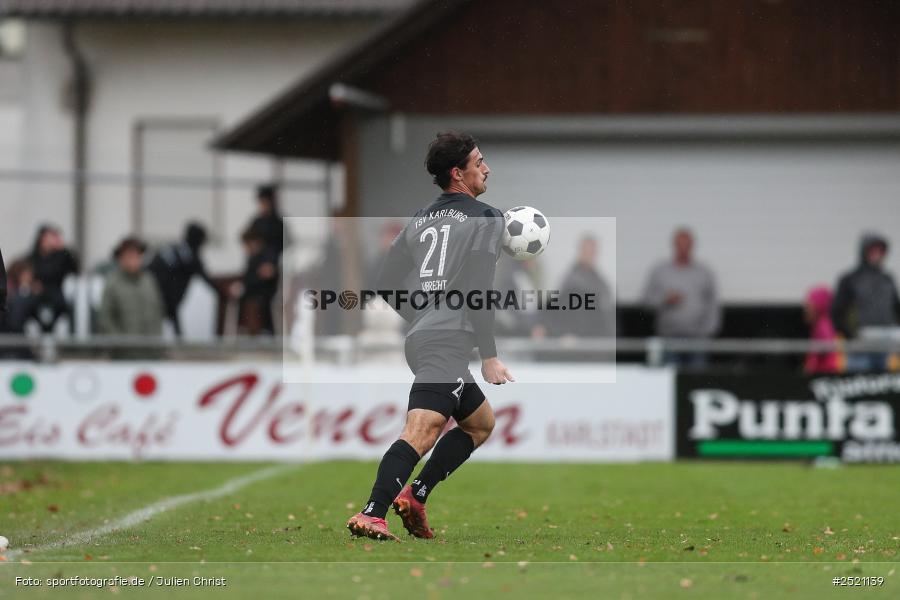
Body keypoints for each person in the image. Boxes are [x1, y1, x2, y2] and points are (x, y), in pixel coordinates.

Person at [346, 131, 512, 541]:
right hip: (447, 342)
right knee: (420, 431)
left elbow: (383, 282)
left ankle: (415, 495)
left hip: (426, 337)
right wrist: (489, 354)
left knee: (480, 424)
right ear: (458, 174)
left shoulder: (419, 220)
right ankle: (372, 512)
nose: (486, 167)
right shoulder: (487, 217)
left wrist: (422, 316)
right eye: (478, 162)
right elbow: (478, 289)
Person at [642, 227, 719, 368]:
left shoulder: (704, 272)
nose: (683, 248)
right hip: (669, 337)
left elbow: (712, 304)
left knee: (697, 380)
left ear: (692, 246)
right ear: (674, 245)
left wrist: (708, 331)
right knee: (671, 378)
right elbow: (647, 301)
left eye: (687, 244)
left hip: (697, 339)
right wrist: (665, 300)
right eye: (680, 244)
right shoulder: (660, 271)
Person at [831, 233, 900, 372]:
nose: (878, 255)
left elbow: (896, 308)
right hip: (860, 343)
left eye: (881, 251)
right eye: (873, 251)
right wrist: (851, 336)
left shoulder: (887, 279)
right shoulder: (850, 279)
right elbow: (837, 312)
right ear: (864, 252)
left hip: (885, 343)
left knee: (881, 384)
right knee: (858, 382)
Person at [147, 222, 219, 337]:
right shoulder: (190, 255)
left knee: (165, 316)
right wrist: (221, 290)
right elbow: (205, 277)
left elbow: (151, 266)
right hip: (164, 293)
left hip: (159, 291)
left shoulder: (176, 249)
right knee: (164, 316)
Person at [98, 237, 164, 337]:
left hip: (151, 349)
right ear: (121, 258)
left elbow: (158, 311)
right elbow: (106, 318)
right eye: (129, 256)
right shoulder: (112, 284)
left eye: (137, 255)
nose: (134, 260)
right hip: (124, 350)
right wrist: (119, 342)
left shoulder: (149, 281)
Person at [553, 235, 615, 338]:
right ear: (581, 252)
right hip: (581, 337)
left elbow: (607, 305)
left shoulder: (600, 280)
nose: (590, 255)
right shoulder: (571, 281)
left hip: (599, 334)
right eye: (587, 251)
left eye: (592, 252)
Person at [29, 225, 79, 333]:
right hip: (36, 298)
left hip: (56, 297)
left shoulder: (62, 256)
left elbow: (75, 270)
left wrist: (65, 250)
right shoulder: (33, 257)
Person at [233, 226, 279, 335]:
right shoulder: (251, 258)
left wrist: (244, 285)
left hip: (265, 294)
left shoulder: (269, 254)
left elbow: (266, 274)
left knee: (255, 304)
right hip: (253, 292)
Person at [804, 286, 840, 374]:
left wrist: (809, 368)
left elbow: (826, 350)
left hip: (825, 374)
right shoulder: (820, 325)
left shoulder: (824, 326)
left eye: (809, 306)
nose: (806, 309)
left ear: (818, 306)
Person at [245, 184, 287, 260]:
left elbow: (282, 248)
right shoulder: (257, 222)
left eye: (265, 202)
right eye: (261, 202)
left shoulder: (279, 225)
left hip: (274, 265)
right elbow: (247, 239)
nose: (263, 205)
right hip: (257, 264)